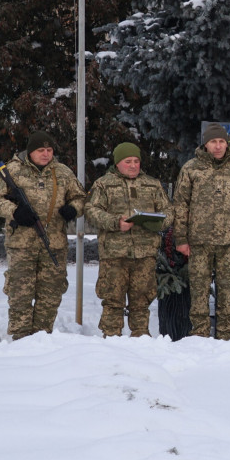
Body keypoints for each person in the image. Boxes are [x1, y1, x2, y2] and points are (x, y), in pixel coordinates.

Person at [0, 131, 85, 340]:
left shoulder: (62, 172)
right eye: (41, 150)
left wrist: (73, 209)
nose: (46, 154)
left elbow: (81, 198)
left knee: (51, 294)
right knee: (20, 294)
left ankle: (42, 340)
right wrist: (14, 211)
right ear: (30, 151)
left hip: (54, 244)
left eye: (49, 150)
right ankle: (20, 341)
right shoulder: (12, 170)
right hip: (21, 245)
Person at [173, 124, 230, 340]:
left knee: (228, 292)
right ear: (206, 144)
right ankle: (200, 334)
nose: (218, 146)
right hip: (198, 242)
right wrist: (181, 239)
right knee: (199, 291)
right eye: (213, 142)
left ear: (226, 143)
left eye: (221, 141)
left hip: (229, 242)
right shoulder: (191, 168)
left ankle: (226, 334)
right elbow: (181, 205)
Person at [85, 142, 172, 337]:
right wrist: (116, 222)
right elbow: (91, 211)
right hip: (114, 254)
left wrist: (158, 222)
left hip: (145, 254)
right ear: (117, 163)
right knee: (112, 300)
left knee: (141, 301)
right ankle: (111, 338)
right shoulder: (103, 184)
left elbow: (169, 211)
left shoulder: (152, 184)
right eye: (128, 161)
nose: (133, 165)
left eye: (136, 161)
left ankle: (141, 338)